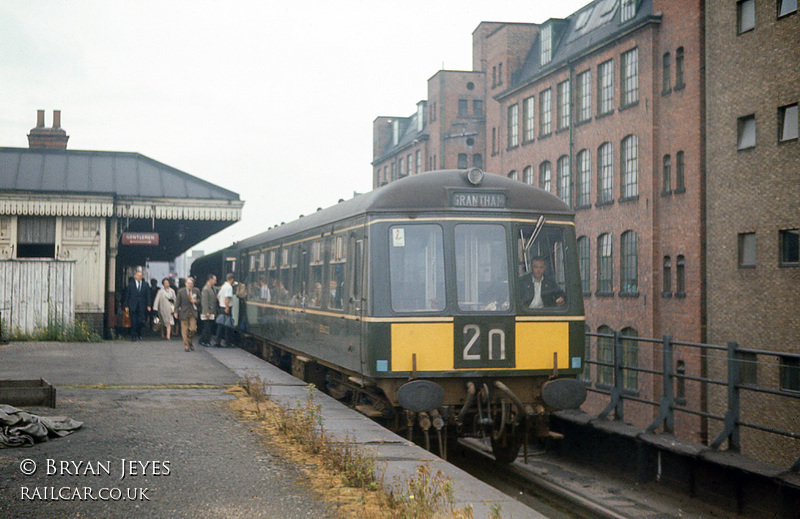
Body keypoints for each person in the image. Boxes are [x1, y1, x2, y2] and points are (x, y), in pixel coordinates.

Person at [174, 276, 201, 352]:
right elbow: (177, 303)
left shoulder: (196, 290)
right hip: (184, 312)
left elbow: (200, 299)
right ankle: (186, 346)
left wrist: (196, 301)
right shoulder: (181, 291)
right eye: (188, 283)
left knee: (193, 329)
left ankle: (190, 342)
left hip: (193, 312)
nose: (190, 285)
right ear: (186, 283)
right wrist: (176, 311)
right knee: (184, 330)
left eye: (191, 283)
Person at [124, 270, 151, 341]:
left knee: (140, 321)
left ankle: (139, 333)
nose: (139, 277)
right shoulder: (130, 285)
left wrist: (149, 305)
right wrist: (126, 306)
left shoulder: (145, 285)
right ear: (135, 276)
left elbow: (148, 295)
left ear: (142, 277)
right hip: (133, 305)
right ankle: (133, 336)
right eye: (138, 276)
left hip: (142, 306)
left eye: (140, 276)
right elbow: (127, 296)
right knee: (133, 321)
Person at [212, 273, 235, 347]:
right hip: (226, 308)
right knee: (227, 326)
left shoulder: (223, 286)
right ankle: (227, 342)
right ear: (232, 280)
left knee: (221, 325)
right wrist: (227, 307)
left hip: (222, 307)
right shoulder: (229, 287)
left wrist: (221, 303)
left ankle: (217, 341)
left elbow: (218, 296)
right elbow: (226, 298)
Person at [199, 274, 217, 347]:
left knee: (209, 326)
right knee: (207, 327)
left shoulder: (213, 288)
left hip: (212, 311)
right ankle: (205, 340)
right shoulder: (206, 289)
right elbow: (204, 301)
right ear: (210, 279)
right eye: (214, 280)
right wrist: (206, 311)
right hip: (208, 312)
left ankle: (203, 340)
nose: (215, 281)